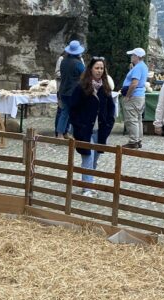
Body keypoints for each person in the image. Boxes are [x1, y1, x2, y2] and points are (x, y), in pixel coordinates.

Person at [68, 56, 116, 195]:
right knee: (88, 157)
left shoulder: (106, 87)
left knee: (94, 159)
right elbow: (73, 108)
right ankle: (87, 188)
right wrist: (78, 126)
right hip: (85, 130)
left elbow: (111, 109)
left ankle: (88, 184)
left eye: (101, 68)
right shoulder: (82, 87)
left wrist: (108, 125)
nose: (99, 71)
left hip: (99, 130)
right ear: (91, 69)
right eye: (97, 68)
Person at [55, 40, 86, 138]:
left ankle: (60, 134)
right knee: (76, 113)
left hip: (63, 90)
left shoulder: (63, 61)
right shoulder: (78, 64)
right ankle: (75, 134)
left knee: (64, 113)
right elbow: (85, 76)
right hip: (74, 92)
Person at [120, 47, 148, 149]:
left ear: (137, 56)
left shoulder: (138, 68)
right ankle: (138, 139)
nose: (131, 57)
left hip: (134, 96)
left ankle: (133, 141)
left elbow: (134, 83)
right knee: (138, 119)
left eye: (133, 55)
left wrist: (127, 96)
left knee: (131, 119)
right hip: (140, 95)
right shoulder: (143, 66)